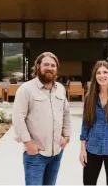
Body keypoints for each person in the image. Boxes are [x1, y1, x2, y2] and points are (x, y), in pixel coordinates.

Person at [12, 52, 71, 185]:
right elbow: (17, 118)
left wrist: (66, 136)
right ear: (38, 66)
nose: (50, 68)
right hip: (35, 155)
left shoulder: (60, 89)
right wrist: (28, 144)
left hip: (56, 153)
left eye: (53, 65)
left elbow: (66, 113)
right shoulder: (26, 89)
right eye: (46, 64)